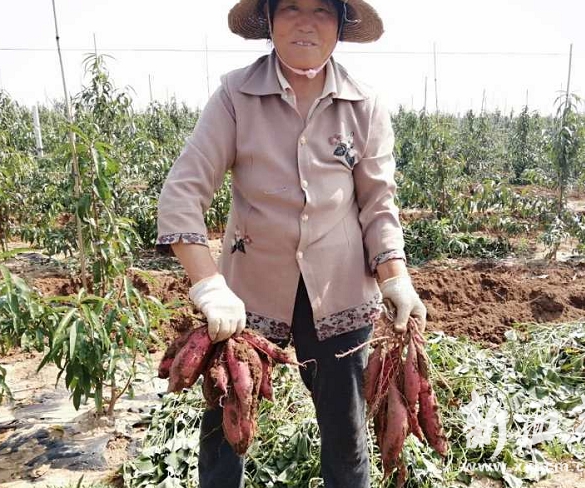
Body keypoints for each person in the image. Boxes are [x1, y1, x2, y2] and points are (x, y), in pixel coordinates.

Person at [156, 0, 428, 486]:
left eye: (322, 10)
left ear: (341, 24)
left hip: (340, 291)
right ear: (270, 19)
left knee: (345, 434)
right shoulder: (236, 95)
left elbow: (378, 203)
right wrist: (208, 285)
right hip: (248, 294)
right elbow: (182, 192)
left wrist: (396, 278)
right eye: (292, 7)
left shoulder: (363, 104)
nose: (306, 22)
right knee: (226, 422)